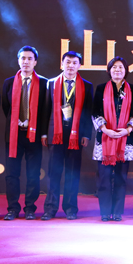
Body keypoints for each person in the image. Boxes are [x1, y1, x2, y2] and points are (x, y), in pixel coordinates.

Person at [42, 51, 93, 220]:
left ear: (79, 65)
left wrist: (87, 134)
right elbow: (45, 110)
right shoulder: (51, 83)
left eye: (74, 62)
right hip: (55, 134)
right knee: (53, 173)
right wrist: (44, 133)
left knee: (72, 173)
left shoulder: (86, 86)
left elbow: (88, 112)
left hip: (76, 135)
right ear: (62, 64)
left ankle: (71, 208)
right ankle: (50, 208)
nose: (71, 65)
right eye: (68, 62)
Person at [1, 46, 49, 221]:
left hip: (34, 135)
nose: (26, 62)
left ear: (35, 62)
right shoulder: (8, 83)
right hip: (14, 135)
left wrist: (41, 132)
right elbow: (6, 107)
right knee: (11, 174)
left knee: (33, 173)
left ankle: (30, 208)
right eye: (23, 58)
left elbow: (45, 111)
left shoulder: (44, 83)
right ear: (18, 60)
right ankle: (12, 209)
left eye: (29, 58)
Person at [92, 57, 133, 222]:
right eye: (114, 67)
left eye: (121, 67)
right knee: (104, 179)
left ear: (126, 70)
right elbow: (95, 112)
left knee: (121, 178)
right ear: (109, 70)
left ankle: (118, 212)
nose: (117, 70)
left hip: (125, 139)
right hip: (104, 138)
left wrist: (127, 130)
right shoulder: (101, 88)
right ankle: (105, 212)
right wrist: (105, 129)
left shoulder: (132, 89)